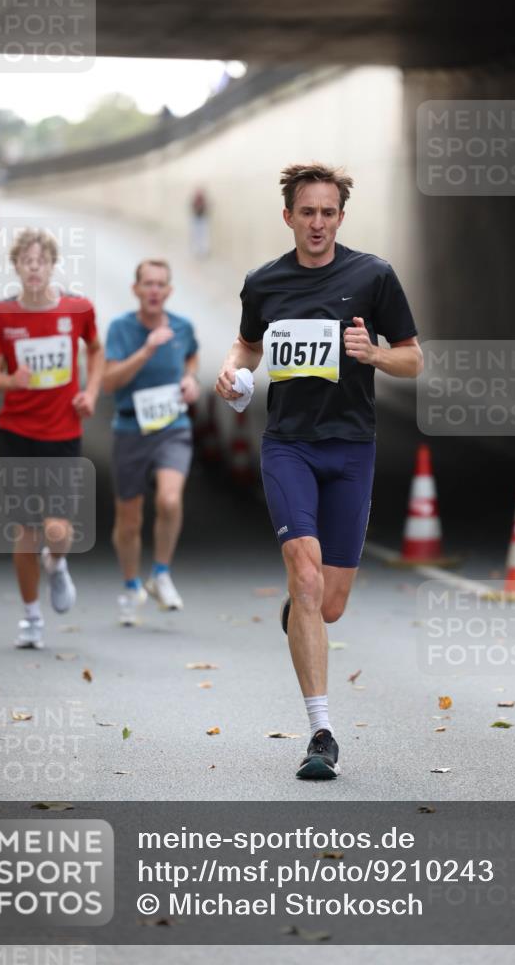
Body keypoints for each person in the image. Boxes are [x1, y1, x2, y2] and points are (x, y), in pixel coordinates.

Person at [216, 163, 423, 780]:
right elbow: (247, 344)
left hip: (351, 448)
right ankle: (322, 733)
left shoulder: (373, 276)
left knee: (327, 604)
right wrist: (232, 371)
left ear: (340, 216)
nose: (317, 223)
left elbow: (414, 360)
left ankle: (300, 614)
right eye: (306, 212)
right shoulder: (265, 282)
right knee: (304, 577)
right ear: (289, 217)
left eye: (328, 212)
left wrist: (376, 355)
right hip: (289, 447)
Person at [0, 228, 103, 648]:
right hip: (15, 432)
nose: (34, 268)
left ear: (52, 265)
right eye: (26, 261)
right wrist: (11, 380)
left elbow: (95, 349)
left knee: (55, 530)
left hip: (62, 431)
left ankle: (57, 564)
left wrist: (89, 392)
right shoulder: (0, 316)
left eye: (41, 261)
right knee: (25, 531)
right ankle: (31, 618)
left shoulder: (77, 309)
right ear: (16, 267)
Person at [103, 259, 200, 625]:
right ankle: (131, 587)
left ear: (169, 291)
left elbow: (192, 355)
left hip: (172, 425)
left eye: (161, 284)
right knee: (129, 520)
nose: (154, 290)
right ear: (136, 290)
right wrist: (146, 350)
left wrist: (191, 379)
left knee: (170, 499)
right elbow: (109, 382)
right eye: (148, 284)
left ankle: (160, 573)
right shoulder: (121, 329)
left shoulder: (182, 327)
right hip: (130, 428)